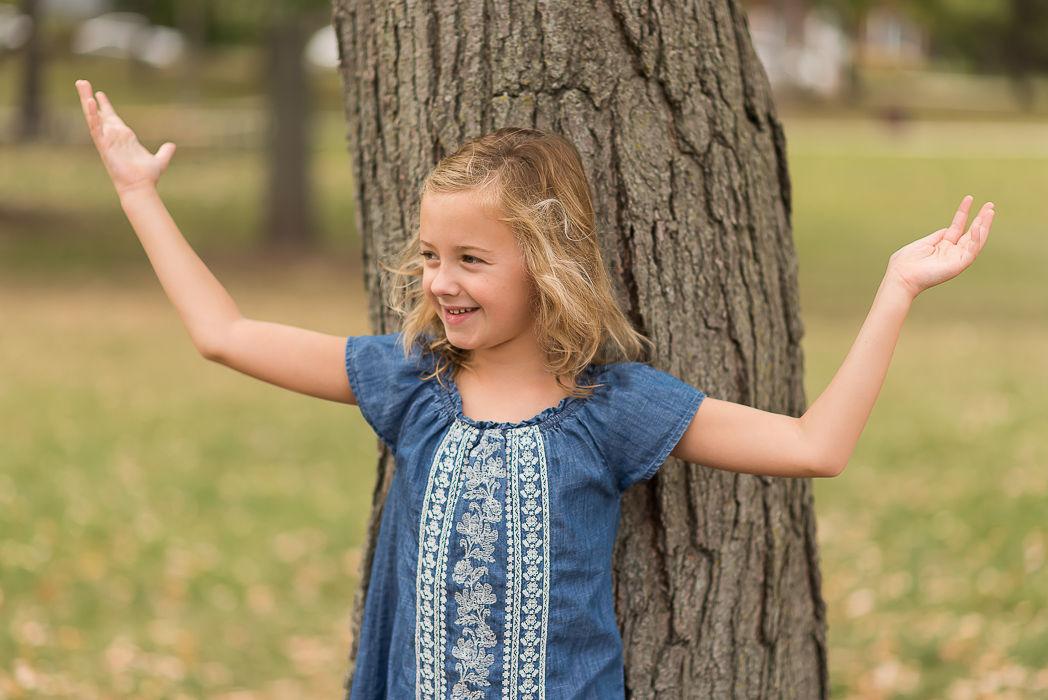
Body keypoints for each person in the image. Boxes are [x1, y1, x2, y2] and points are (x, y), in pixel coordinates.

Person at [75, 79, 993, 699]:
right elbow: (224, 335)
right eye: (432, 256)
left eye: (472, 259)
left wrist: (895, 290)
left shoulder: (611, 408)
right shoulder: (411, 384)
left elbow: (813, 447)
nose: (441, 281)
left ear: (546, 267)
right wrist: (136, 194)